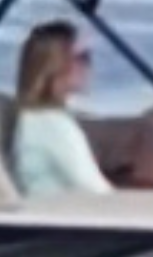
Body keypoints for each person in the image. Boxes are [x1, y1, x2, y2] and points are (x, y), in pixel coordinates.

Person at [9, 19, 113, 201]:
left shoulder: (38, 118)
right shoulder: (52, 125)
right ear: (55, 65)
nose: (89, 65)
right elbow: (99, 194)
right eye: (82, 57)